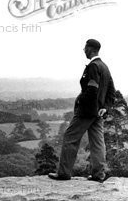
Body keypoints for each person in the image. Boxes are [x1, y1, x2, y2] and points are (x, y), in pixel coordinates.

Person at [48, 39, 115, 183]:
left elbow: (91, 90)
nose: (83, 50)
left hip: (86, 112)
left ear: (90, 49)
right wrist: (105, 107)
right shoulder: (104, 67)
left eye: (85, 48)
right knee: (97, 143)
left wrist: (80, 102)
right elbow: (111, 91)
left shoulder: (93, 67)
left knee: (70, 138)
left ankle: (64, 173)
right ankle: (99, 175)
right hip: (98, 113)